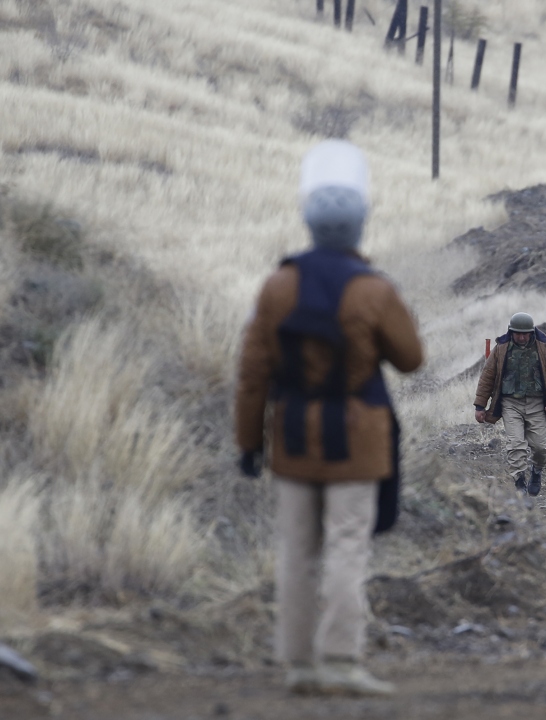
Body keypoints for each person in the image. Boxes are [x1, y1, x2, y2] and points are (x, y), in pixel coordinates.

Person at [234, 140, 423, 696]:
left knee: (295, 549)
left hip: (290, 435)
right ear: (360, 223)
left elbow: (252, 374)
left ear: (308, 220)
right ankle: (339, 660)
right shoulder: (373, 290)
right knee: (345, 547)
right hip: (358, 439)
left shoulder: (277, 285)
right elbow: (411, 361)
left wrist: (248, 443)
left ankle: (297, 664)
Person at [473, 312, 546, 496]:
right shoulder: (501, 349)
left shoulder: (545, 347)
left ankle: (537, 471)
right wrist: (479, 406)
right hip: (510, 403)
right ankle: (519, 481)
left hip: (538, 404)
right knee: (516, 444)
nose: (522, 337)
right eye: (518, 334)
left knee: (540, 447)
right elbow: (487, 377)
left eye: (526, 334)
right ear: (511, 332)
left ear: (531, 332)